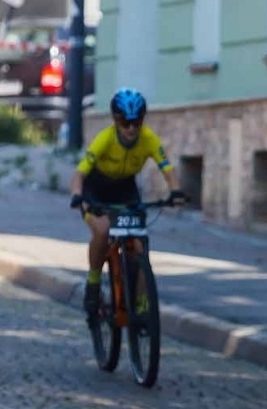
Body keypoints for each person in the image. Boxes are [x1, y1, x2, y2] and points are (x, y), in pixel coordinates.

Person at [67, 87, 185, 317]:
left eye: (136, 122)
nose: (131, 128)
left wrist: (176, 191)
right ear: (115, 120)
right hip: (95, 189)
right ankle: (93, 282)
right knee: (102, 231)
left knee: (140, 246)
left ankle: (141, 303)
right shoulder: (105, 139)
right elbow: (79, 174)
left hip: (124, 189)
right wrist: (77, 195)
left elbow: (167, 169)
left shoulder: (149, 139)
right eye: (124, 122)